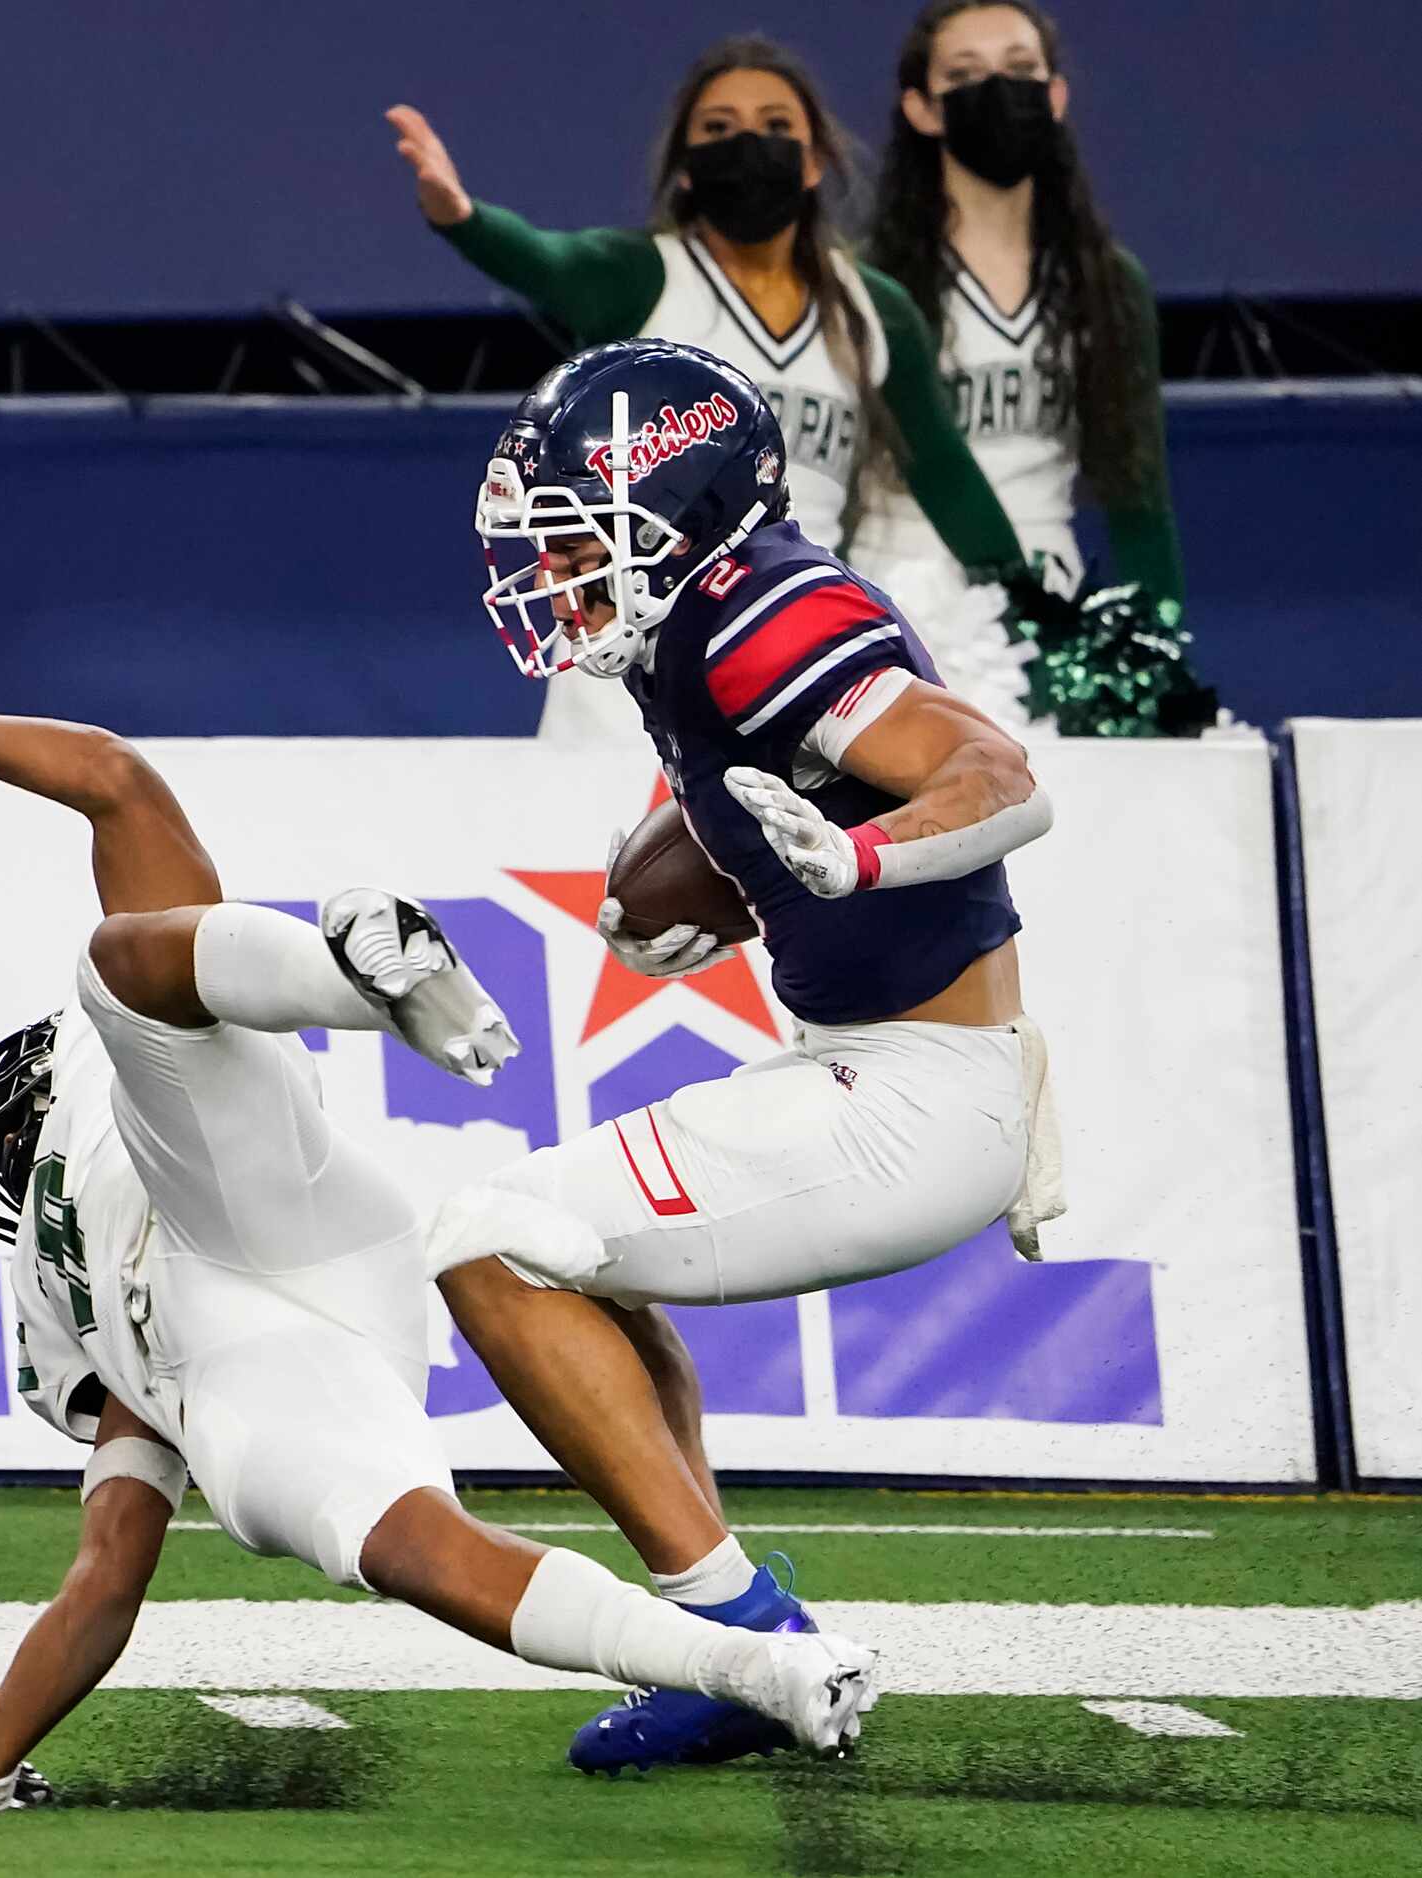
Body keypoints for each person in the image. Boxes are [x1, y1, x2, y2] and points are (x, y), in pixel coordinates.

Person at [0, 614, 880, 1812]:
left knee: (412, 1547)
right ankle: (749, 1661)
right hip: (298, 1251)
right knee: (120, 971)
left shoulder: (42, 1301)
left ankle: (753, 1664)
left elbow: (107, 1578)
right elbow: (114, 783)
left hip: (224, 1286)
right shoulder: (66, 1164)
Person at [438, 337, 1060, 1771]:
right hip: (869, 1060)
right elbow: (754, 801)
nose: (558, 576)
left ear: (676, 509)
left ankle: (740, 1633)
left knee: (487, 1239)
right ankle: (721, 1620)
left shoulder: (766, 609)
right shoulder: (709, 616)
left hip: (917, 1095)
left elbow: (998, 778)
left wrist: (853, 854)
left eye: (578, 538)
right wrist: (717, 872)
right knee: (569, 1250)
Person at [386, 35, 1027, 741]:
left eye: (776, 127)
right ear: (685, 169)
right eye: (717, 129)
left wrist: (1036, 606)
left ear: (814, 162)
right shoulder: (638, 276)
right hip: (624, 634)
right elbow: (543, 258)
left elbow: (945, 476)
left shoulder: (875, 309)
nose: (748, 144)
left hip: (790, 639)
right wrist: (461, 216)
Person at [861, 1, 1214, 737]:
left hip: (1054, 622)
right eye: (965, 74)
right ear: (921, 109)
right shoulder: (868, 280)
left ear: (1054, 95)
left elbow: (1137, 493)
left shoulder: (1105, 283)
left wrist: (1157, 651)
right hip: (898, 597)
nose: (997, 89)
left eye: (1019, 70)